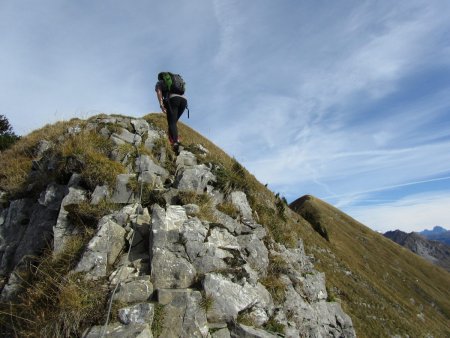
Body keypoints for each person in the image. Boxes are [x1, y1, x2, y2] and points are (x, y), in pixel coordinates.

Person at [155, 72, 187, 154]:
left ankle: (175, 142)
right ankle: (173, 139)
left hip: (173, 99)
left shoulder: (160, 83)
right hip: (183, 101)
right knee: (173, 122)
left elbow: (159, 92)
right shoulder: (176, 82)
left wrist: (161, 105)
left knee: (172, 122)